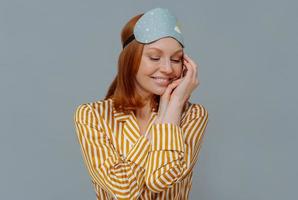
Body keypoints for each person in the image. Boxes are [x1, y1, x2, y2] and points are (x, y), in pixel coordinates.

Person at [74, 7, 209, 200]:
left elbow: (159, 180)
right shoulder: (92, 116)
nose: (167, 68)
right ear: (130, 60)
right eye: (154, 57)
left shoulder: (192, 115)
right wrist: (160, 124)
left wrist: (173, 107)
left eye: (176, 59)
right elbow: (124, 190)